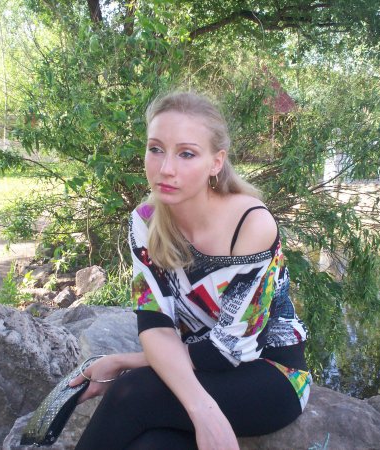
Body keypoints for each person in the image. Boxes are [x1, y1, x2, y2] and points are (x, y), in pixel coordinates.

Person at [69, 91, 311, 450]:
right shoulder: (145, 221)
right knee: (151, 445)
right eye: (156, 149)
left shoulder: (251, 224)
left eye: (186, 153)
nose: (166, 168)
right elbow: (155, 324)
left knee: (132, 391)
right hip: (198, 366)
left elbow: (232, 348)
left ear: (216, 162)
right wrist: (199, 408)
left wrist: (127, 364)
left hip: (269, 372)